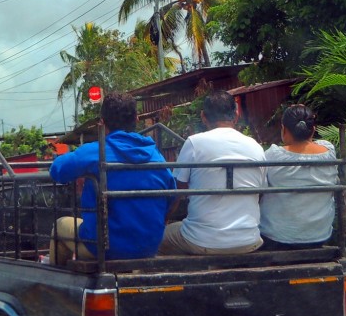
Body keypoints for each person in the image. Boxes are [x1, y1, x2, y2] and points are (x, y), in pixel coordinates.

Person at [48, 91, 175, 264]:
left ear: (102, 122)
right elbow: (172, 196)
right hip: (148, 246)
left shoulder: (94, 151)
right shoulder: (156, 155)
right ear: (136, 119)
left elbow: (57, 171)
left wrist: (81, 171)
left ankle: (57, 286)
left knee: (60, 226)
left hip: (103, 247)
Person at [159, 90, 266, 255]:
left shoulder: (194, 143)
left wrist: (165, 218)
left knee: (159, 238)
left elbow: (177, 191)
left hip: (201, 240)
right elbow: (261, 193)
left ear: (203, 117)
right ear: (236, 116)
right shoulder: (256, 147)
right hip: (249, 240)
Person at [259, 104, 338, 250]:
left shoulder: (273, 155)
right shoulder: (329, 151)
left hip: (277, 238)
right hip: (319, 236)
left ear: (284, 129)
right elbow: (316, 145)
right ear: (313, 129)